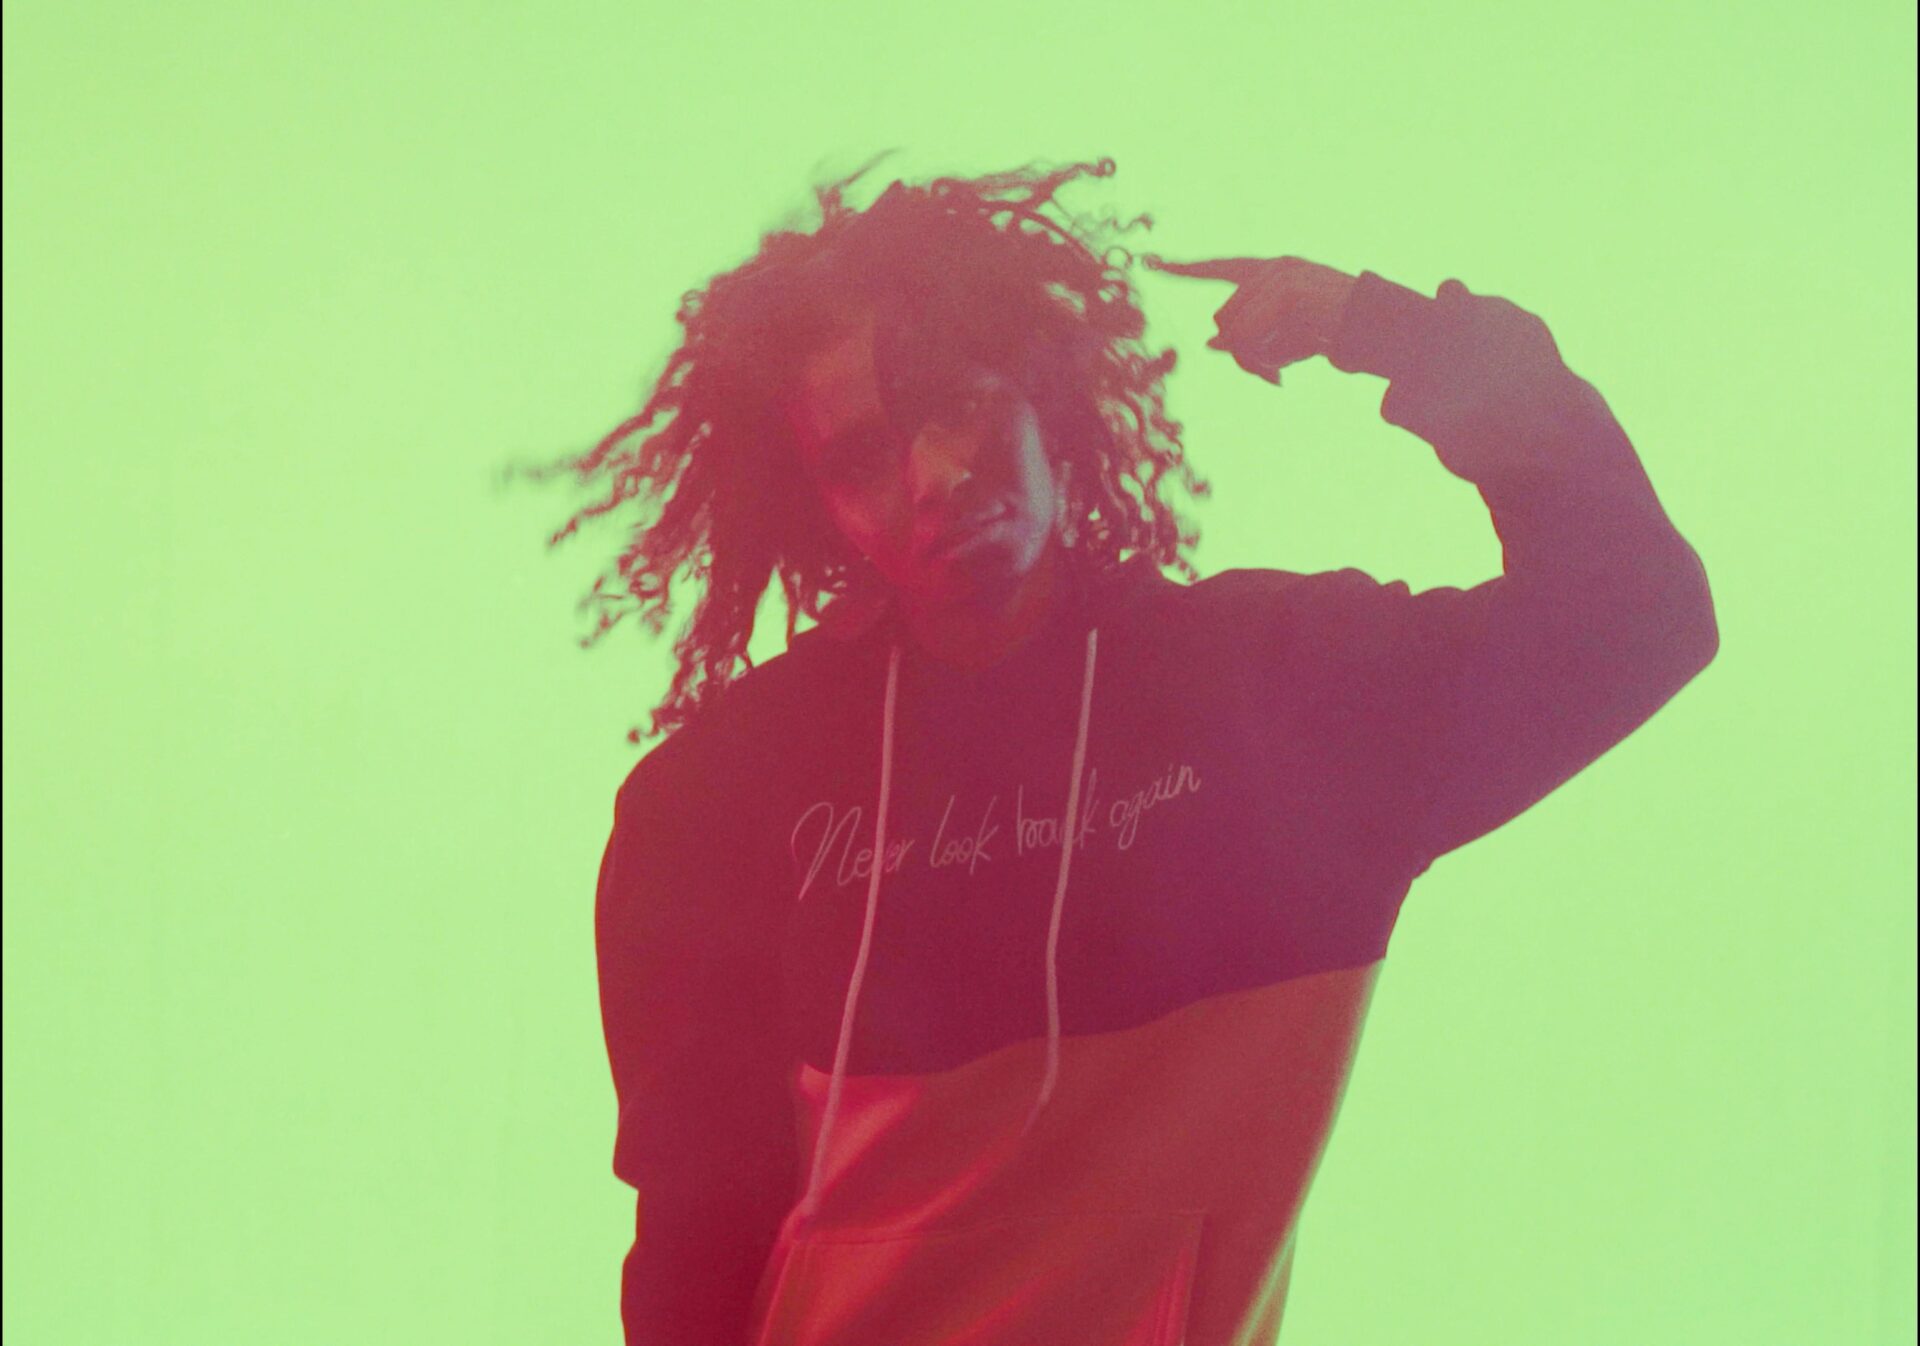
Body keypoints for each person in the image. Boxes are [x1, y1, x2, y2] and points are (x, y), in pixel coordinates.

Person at [528, 155, 1718, 1344]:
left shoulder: (1278, 700)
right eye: (860, 457)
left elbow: (1636, 613)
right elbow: (694, 1245)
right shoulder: (717, 797)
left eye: (958, 399)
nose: (935, 476)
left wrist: (1392, 332)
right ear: (814, 507)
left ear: (1041, 389)